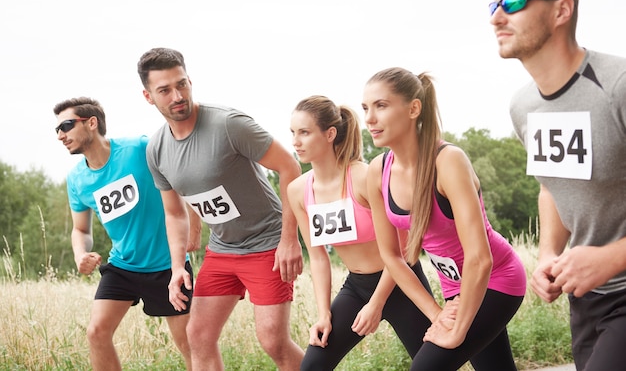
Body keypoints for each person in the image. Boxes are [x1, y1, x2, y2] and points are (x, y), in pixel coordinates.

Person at [486, 0, 626, 369]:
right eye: (493, 6)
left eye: (513, 4)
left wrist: (612, 257)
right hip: (587, 299)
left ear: (562, 10)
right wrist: (549, 252)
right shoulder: (523, 106)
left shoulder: (617, 86)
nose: (496, 18)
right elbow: (551, 185)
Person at [137, 47, 305, 371]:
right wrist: (176, 269)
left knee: (273, 342)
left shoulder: (229, 124)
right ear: (148, 96)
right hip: (223, 249)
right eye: (165, 90)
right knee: (197, 336)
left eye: (182, 84)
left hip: (267, 243)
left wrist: (289, 239)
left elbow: (290, 168)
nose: (177, 95)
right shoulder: (156, 150)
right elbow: (174, 214)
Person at [362, 68, 527, 371]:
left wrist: (458, 329)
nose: (369, 118)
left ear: (414, 108)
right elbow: (392, 256)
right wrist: (436, 313)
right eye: (365, 108)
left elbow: (480, 258)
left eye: (381, 106)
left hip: (496, 280)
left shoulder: (448, 161)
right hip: (454, 287)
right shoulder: (378, 170)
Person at [53, 97, 200, 371]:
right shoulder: (76, 179)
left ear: (92, 122)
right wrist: (80, 253)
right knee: (96, 332)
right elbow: (81, 229)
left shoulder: (139, 148)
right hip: (123, 265)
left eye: (67, 125)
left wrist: (195, 225)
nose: (61, 135)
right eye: (58, 129)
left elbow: (182, 177)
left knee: (190, 342)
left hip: (167, 265)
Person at [287, 95, 432, 370]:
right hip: (356, 287)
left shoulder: (365, 177)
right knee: (313, 365)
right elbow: (318, 258)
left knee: (434, 366)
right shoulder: (298, 191)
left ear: (330, 134)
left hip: (400, 281)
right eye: (293, 133)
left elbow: (402, 248)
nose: (295, 141)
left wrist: (377, 304)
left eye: (304, 133)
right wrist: (323, 314)